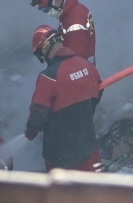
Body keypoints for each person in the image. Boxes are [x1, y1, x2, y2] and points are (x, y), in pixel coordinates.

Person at [25, 25, 103, 171]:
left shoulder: (48, 77)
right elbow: (98, 92)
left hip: (60, 155)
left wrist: (30, 132)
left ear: (46, 49)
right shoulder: (86, 65)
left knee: (63, 192)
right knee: (91, 187)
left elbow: (38, 113)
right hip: (86, 144)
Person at [31, 0, 96, 63]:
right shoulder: (74, 11)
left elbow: (76, 61)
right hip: (88, 71)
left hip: (82, 72)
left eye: (47, 9)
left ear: (56, 0)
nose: (48, 13)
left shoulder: (74, 21)